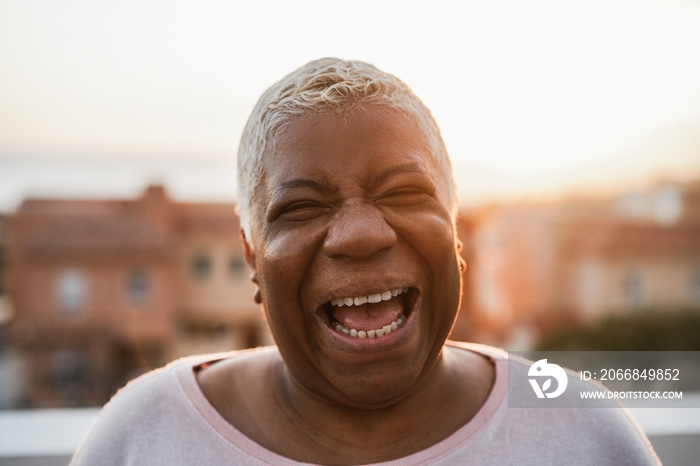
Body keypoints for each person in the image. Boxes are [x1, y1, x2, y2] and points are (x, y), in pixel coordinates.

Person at [71, 58, 660, 465]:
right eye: (301, 208)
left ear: (454, 230)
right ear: (253, 258)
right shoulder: (144, 440)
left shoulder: (585, 435)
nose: (358, 234)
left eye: (404, 194)